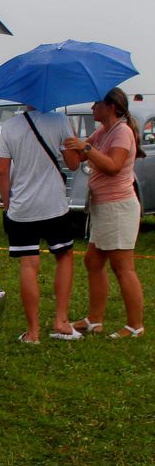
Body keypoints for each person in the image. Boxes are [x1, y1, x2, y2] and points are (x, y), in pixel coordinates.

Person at [64, 88, 146, 338]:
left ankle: (135, 327)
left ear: (111, 107)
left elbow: (113, 166)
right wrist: (70, 135)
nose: (92, 109)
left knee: (123, 267)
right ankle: (94, 320)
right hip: (103, 206)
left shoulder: (122, 132)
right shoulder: (103, 131)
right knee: (93, 261)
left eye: (96, 104)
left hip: (118, 207)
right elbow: (79, 156)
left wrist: (87, 149)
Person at [0, 105, 82, 342]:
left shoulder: (10, 126)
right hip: (54, 204)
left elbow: (3, 171)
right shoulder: (60, 120)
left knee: (28, 266)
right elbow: (73, 164)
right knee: (64, 256)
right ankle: (61, 321)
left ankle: (32, 332)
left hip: (22, 208)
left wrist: (7, 206)